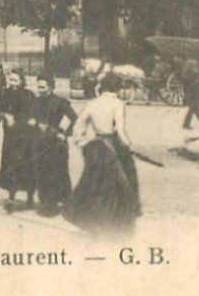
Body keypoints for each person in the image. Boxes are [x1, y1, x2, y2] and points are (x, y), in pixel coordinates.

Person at [64, 72, 141, 234]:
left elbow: (78, 126)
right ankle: (112, 222)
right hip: (111, 145)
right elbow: (120, 129)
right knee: (118, 183)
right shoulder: (117, 104)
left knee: (93, 183)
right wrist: (129, 145)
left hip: (96, 146)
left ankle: (89, 219)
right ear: (118, 88)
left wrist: (82, 142)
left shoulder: (93, 104)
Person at [29, 74, 76, 216]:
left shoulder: (60, 103)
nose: (40, 90)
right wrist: (34, 123)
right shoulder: (35, 102)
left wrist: (66, 134)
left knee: (57, 173)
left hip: (55, 143)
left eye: (43, 87)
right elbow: (30, 118)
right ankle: (47, 202)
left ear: (51, 87)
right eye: (39, 87)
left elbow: (75, 120)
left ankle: (58, 202)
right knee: (41, 172)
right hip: (39, 142)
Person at [0, 67, 36, 208]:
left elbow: (32, 113)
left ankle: (30, 197)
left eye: (15, 80)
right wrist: (4, 116)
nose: (12, 83)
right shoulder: (4, 94)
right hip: (10, 135)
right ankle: (11, 196)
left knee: (26, 165)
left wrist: (22, 121)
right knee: (10, 164)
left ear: (21, 81)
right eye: (11, 80)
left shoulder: (28, 95)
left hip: (25, 136)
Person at [181, 59, 199, 131]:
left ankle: (186, 124)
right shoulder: (190, 75)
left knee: (193, 110)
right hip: (193, 95)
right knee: (196, 110)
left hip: (191, 94)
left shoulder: (188, 75)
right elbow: (193, 85)